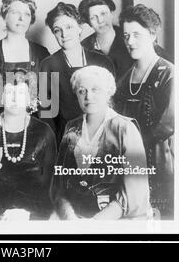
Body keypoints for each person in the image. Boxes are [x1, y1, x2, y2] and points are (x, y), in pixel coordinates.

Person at [51, 66, 152, 220]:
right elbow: (58, 186)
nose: (88, 97)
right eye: (81, 91)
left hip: (116, 220)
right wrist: (71, 220)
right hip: (76, 219)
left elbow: (135, 193)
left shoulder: (125, 129)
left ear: (108, 92)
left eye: (95, 89)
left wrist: (94, 225)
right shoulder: (71, 127)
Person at [0, 68, 57, 220]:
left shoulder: (44, 131)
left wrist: (29, 215)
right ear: (0, 97)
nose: (14, 98)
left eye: (21, 94)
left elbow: (51, 185)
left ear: (30, 98)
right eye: (9, 93)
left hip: (33, 216)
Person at [114, 4, 174, 219]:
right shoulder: (123, 79)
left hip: (157, 161)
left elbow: (167, 124)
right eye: (126, 35)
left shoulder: (168, 73)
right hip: (127, 163)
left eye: (137, 35)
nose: (130, 42)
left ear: (152, 34)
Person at [40, 2, 114, 144]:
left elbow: (112, 104)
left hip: (101, 138)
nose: (64, 34)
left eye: (69, 27)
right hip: (65, 139)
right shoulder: (48, 65)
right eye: (57, 30)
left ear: (79, 28)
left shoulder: (102, 61)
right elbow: (46, 114)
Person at [0, 0, 49, 119]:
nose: (22, 19)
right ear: (5, 15)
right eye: (16, 13)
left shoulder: (41, 53)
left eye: (27, 14)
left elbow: (46, 101)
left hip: (33, 127)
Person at [78, 0, 134, 80]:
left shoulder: (130, 38)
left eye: (103, 14)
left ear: (112, 13)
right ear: (89, 22)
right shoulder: (83, 47)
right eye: (93, 17)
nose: (100, 21)